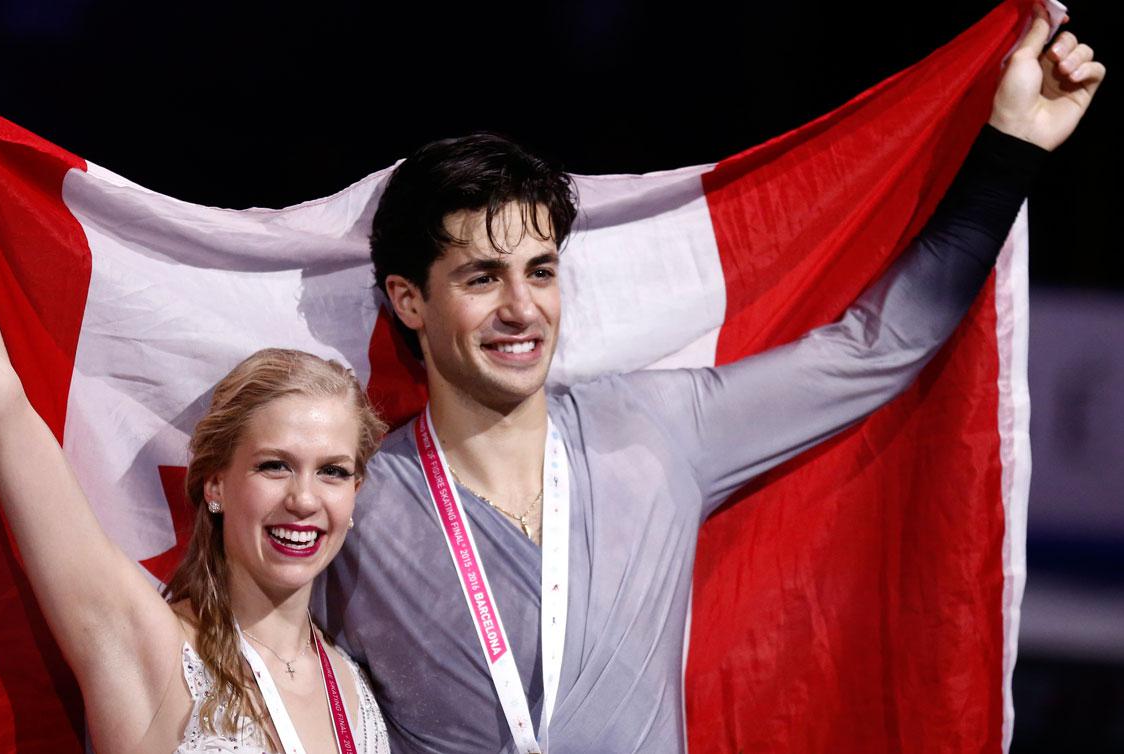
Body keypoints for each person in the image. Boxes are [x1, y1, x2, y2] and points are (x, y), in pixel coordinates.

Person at [313, 5, 1105, 753]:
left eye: (542, 271)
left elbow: (879, 346)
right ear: (409, 301)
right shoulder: (351, 499)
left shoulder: (655, 428)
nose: (523, 309)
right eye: (482, 278)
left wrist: (1012, 148)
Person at [0, 57, 391, 753]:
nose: (305, 500)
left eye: (333, 471)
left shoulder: (354, 686)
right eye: (275, 466)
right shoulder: (142, 644)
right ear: (216, 484)